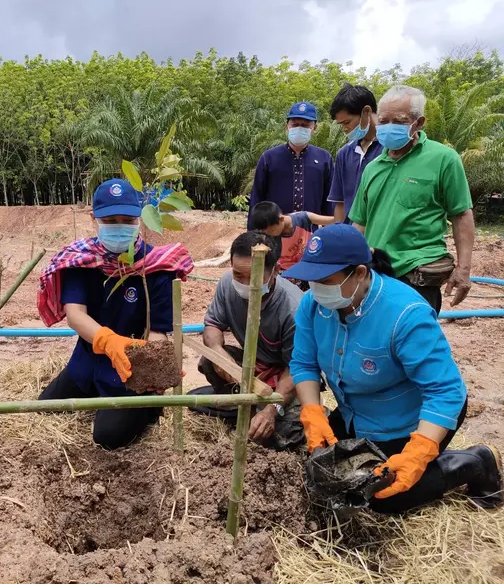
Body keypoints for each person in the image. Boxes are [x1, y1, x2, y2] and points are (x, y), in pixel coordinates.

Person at [285, 224, 501, 513]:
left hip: (411, 418)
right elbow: (303, 363)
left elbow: (446, 392)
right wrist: (312, 412)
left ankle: (476, 462)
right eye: (311, 281)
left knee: (380, 495)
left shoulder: (405, 314)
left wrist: (419, 452)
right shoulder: (313, 305)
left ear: (359, 273)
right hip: (357, 412)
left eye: (324, 281)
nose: (315, 289)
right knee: (321, 470)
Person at [36, 178, 193, 450]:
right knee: (43, 408)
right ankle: (94, 391)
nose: (119, 227)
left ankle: (147, 408)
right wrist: (109, 341)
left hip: (131, 370)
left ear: (140, 219)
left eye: (127, 220)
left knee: (108, 437)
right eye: (109, 221)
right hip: (88, 361)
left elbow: (158, 332)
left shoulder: (157, 267)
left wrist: (151, 369)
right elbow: (75, 314)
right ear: (94, 219)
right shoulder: (81, 261)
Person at [350, 85, 474, 313]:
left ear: (419, 123)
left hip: (417, 275)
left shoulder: (444, 159)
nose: (388, 127)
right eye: (383, 121)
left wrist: (464, 269)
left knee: (413, 334)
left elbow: (461, 214)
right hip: (376, 273)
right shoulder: (372, 167)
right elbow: (359, 222)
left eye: (398, 121)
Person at [189, 232, 306, 450]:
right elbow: (212, 325)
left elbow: (296, 368)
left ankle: (263, 412)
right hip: (250, 366)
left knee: (284, 432)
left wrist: (271, 410)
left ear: (276, 270)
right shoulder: (227, 284)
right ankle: (244, 408)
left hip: (285, 375)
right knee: (208, 362)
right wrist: (219, 354)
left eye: (253, 276)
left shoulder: (294, 309)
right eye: (238, 275)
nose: (244, 283)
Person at [247, 102, 334, 229]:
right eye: (295, 124)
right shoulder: (269, 158)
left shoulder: (324, 158)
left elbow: (329, 202)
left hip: (311, 233)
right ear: (287, 126)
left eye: (305, 125)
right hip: (274, 231)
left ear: (314, 128)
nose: (299, 128)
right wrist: (253, 234)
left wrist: (330, 233)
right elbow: (257, 199)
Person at [328, 84, 384, 223]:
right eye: (341, 124)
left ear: (366, 112)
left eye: (347, 122)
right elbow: (340, 203)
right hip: (351, 232)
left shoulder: (389, 149)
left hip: (379, 231)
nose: (344, 128)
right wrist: (340, 232)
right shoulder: (344, 153)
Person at [249, 200, 335, 288]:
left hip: (307, 269)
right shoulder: (267, 236)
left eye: (272, 230)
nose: (269, 234)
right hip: (284, 275)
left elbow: (333, 220)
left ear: (281, 219)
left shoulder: (303, 218)